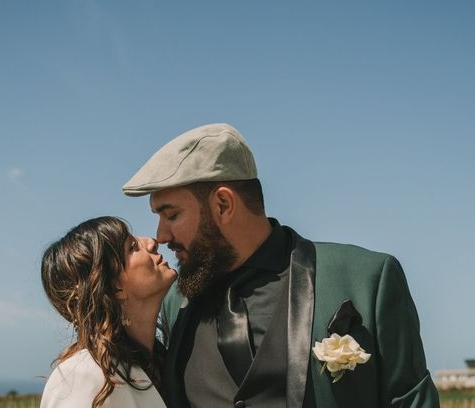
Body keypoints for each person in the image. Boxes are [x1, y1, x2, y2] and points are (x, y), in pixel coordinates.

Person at [122, 123, 440, 408]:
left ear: (223, 204)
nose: (161, 235)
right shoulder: (174, 302)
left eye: (171, 214)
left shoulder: (368, 279)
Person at [40, 216, 177, 408]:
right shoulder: (82, 378)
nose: (152, 242)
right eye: (133, 247)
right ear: (115, 287)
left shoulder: (165, 364)